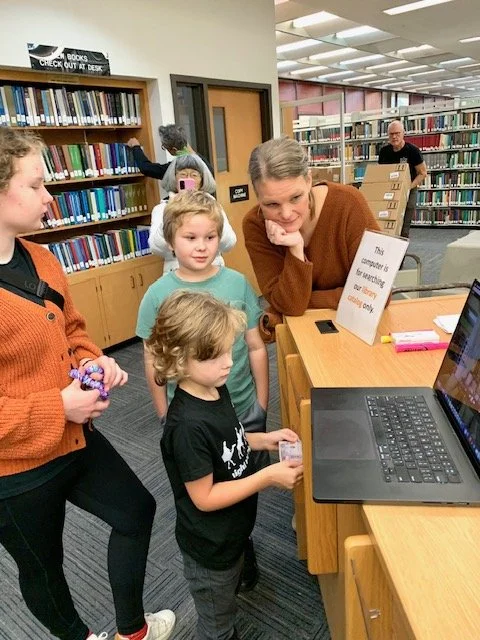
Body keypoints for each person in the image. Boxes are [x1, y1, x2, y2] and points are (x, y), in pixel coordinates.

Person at [0, 127, 176, 640]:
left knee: (136, 511)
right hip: (16, 470)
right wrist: (59, 406)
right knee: (44, 570)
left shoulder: (41, 257)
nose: (49, 198)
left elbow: (70, 327)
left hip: (75, 440)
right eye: (35, 185)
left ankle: (131, 632)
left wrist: (94, 360)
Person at [146, 289, 303, 640]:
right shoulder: (186, 427)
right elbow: (204, 496)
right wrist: (265, 477)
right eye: (213, 356)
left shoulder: (215, 388)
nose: (229, 362)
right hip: (210, 549)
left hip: (233, 530)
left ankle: (242, 577)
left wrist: (264, 439)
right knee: (218, 624)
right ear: (179, 360)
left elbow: (229, 440)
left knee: (233, 582)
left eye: (228, 349)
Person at [136, 190, 269, 592]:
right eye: (190, 238)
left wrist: (263, 401)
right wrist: (163, 412)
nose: (201, 246)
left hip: (239, 404)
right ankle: (223, 561)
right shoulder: (158, 294)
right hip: (192, 412)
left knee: (243, 474)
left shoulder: (236, 282)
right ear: (171, 240)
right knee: (210, 484)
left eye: (209, 237)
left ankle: (243, 547)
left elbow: (256, 345)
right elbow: (151, 358)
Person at [243, 136, 380, 342]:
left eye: (295, 198)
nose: (287, 214)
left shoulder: (349, 204)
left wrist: (301, 300)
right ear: (257, 197)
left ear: (308, 180)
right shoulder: (255, 225)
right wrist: (296, 250)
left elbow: (377, 294)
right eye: (272, 204)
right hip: (300, 339)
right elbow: (289, 304)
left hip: (357, 332)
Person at [148, 153, 236, 273]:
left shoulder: (214, 206)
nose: (188, 178)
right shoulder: (162, 209)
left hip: (213, 271)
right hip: (177, 274)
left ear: (202, 180)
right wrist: (173, 209)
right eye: (183, 174)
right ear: (174, 178)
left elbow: (228, 244)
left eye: (194, 175)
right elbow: (156, 248)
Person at [378, 120, 427, 237]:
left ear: (403, 133)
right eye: (391, 134)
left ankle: (401, 253)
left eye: (397, 133)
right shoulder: (384, 152)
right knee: (386, 223)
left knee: (404, 225)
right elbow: (381, 173)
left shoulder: (413, 151)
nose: (394, 137)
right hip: (389, 190)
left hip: (409, 189)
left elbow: (423, 173)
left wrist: (407, 188)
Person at [127, 123, 214, 180]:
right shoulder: (202, 161)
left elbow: (146, 168)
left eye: (165, 147)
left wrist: (136, 147)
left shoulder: (177, 167)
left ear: (174, 150)